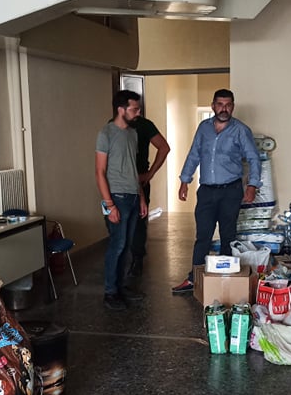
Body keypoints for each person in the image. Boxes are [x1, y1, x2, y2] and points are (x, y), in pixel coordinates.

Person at [171, 89, 261, 294]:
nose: (224, 109)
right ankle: (194, 279)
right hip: (206, 191)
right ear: (213, 106)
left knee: (228, 235)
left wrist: (252, 185)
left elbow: (253, 158)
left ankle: (225, 279)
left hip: (231, 191)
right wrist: (185, 181)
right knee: (203, 235)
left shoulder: (241, 130)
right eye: (220, 104)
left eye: (228, 105)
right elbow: (194, 154)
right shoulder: (204, 128)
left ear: (233, 107)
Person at [96, 90, 149, 310]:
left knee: (127, 246)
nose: (138, 113)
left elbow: (133, 169)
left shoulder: (133, 134)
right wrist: (109, 205)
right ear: (121, 109)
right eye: (134, 109)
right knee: (117, 246)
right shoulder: (106, 133)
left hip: (133, 196)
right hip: (116, 197)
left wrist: (142, 197)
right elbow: (100, 172)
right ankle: (110, 293)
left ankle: (120, 287)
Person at [129, 113, 170, 277]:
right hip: (117, 183)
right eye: (134, 108)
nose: (138, 112)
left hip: (139, 181)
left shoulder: (144, 125)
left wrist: (150, 173)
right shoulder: (112, 128)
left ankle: (137, 259)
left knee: (139, 221)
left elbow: (164, 147)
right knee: (118, 223)